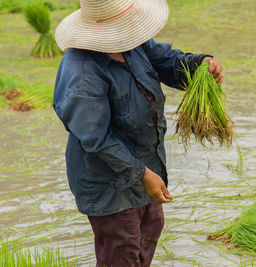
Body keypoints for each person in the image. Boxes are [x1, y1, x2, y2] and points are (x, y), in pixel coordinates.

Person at [52, 0, 223, 266]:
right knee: (122, 250)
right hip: (108, 185)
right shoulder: (82, 70)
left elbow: (167, 60)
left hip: (146, 169)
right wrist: (143, 175)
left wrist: (201, 64)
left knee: (148, 235)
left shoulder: (132, 43)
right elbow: (95, 138)